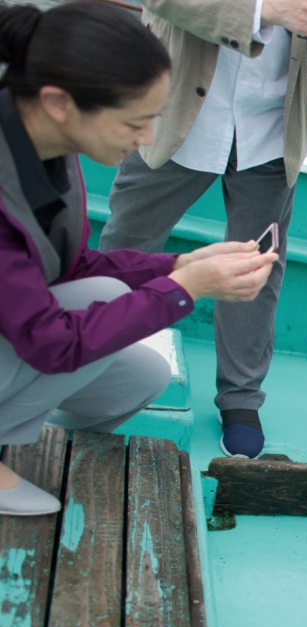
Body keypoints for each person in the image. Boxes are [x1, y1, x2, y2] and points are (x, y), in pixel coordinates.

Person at [0, 1, 277, 516]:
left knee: (141, 376)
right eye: (137, 120)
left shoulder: (45, 144)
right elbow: (49, 343)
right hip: (32, 339)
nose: (148, 138)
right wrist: (187, 289)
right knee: (103, 304)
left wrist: (177, 265)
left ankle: (20, 436)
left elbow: (73, 265)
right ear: (60, 102)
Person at [99, 0, 307, 459]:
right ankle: (90, 359)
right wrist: (264, 12)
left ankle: (240, 399)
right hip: (172, 108)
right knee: (126, 243)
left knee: (259, 265)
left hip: (273, 122)